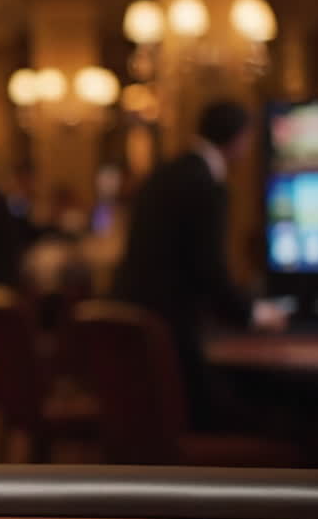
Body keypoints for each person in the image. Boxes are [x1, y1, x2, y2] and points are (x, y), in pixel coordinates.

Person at [113, 99, 288, 431]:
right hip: (176, 350)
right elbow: (209, 271)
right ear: (237, 138)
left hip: (144, 342)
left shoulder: (166, 172)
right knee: (286, 412)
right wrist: (252, 314)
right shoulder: (206, 184)